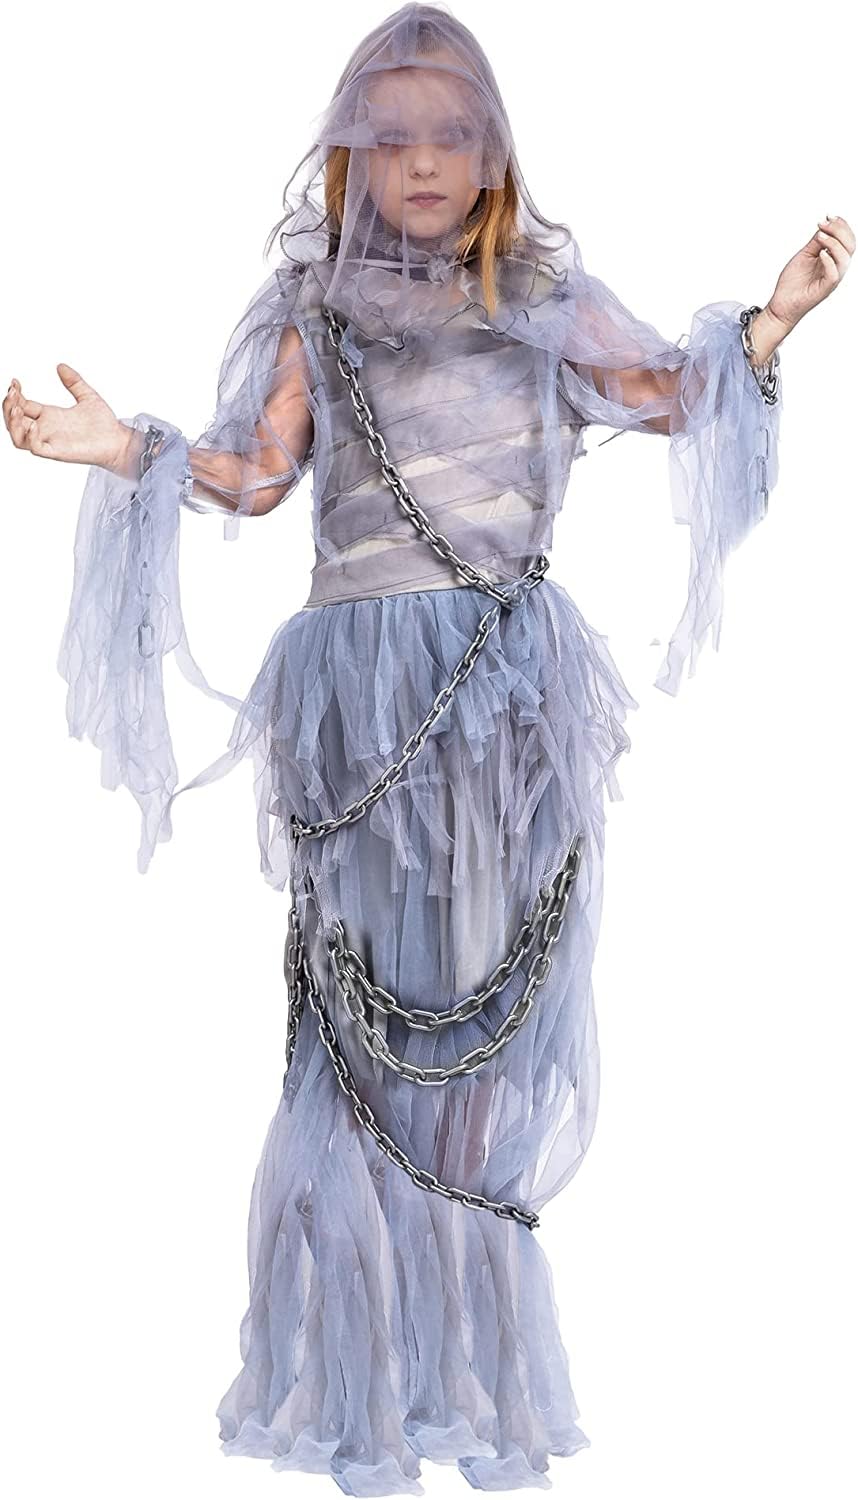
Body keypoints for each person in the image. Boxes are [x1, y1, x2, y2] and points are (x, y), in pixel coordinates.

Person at [3, 2, 852, 1493]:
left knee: (482, 1039)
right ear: (348, 154)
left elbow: (667, 395)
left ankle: (460, 1381)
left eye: (450, 135)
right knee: (355, 1036)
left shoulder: (541, 299)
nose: (420, 162)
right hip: (362, 704)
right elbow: (256, 476)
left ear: (492, 154)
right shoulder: (313, 309)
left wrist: (770, 326)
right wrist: (128, 449)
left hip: (503, 702)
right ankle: (361, 1400)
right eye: (389, 137)